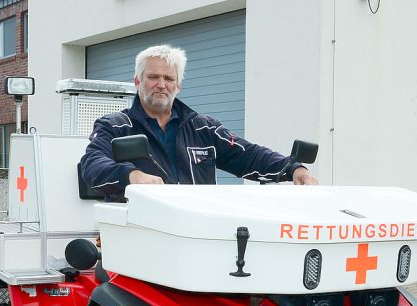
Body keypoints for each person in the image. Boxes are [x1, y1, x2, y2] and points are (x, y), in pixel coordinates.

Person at [80, 44, 318, 200]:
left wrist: (293, 168)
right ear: (137, 81)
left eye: (168, 78)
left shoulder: (204, 128)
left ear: (178, 85)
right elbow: (93, 166)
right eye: (153, 77)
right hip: (140, 236)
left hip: (195, 235)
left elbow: (250, 155)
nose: (161, 84)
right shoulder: (115, 126)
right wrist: (132, 175)